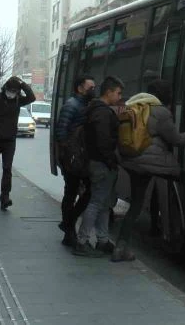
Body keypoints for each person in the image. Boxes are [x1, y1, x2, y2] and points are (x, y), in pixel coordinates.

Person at [112, 80, 185, 262]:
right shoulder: (161, 112)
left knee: (136, 204)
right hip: (151, 163)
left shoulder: (132, 106)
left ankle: (121, 246)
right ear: (163, 95)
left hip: (131, 161)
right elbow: (176, 140)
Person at [73, 76, 123, 257]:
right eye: (118, 93)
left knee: (103, 204)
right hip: (101, 164)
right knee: (96, 203)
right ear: (109, 92)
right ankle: (82, 240)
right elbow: (103, 142)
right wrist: (111, 161)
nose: (120, 97)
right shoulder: (102, 113)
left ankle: (102, 240)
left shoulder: (95, 109)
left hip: (96, 162)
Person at [53, 74, 96, 246]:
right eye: (90, 88)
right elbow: (61, 132)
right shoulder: (71, 105)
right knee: (71, 193)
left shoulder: (85, 105)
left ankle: (67, 224)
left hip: (80, 157)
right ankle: (69, 232)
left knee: (85, 192)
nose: (93, 90)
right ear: (80, 88)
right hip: (72, 158)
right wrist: (67, 155)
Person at [0, 76, 36, 210]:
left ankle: (5, 197)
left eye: (15, 91)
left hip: (9, 141)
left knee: (7, 169)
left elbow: (32, 97)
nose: (12, 93)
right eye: (10, 90)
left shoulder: (18, 100)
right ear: (5, 88)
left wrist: (23, 84)